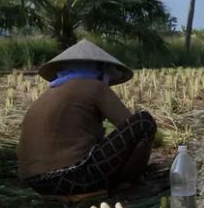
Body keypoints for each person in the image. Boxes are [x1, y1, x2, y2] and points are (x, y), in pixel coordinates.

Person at [17, 40, 157, 197]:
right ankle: (126, 185)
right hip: (73, 177)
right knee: (143, 122)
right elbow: (128, 125)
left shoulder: (47, 95)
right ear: (100, 69)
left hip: (35, 183)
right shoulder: (95, 87)